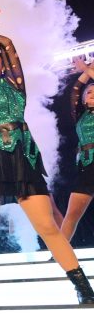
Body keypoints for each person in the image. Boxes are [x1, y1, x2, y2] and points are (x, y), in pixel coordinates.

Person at [0, 7, 94, 307]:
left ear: (3, 67)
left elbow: (6, 45)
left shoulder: (14, 85)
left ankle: (82, 287)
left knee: (47, 227)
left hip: (19, 158)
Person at [59, 58, 94, 242]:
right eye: (89, 92)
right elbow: (76, 89)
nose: (92, 94)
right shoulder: (80, 114)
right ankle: (60, 252)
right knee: (72, 215)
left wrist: (87, 68)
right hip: (86, 168)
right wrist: (86, 70)